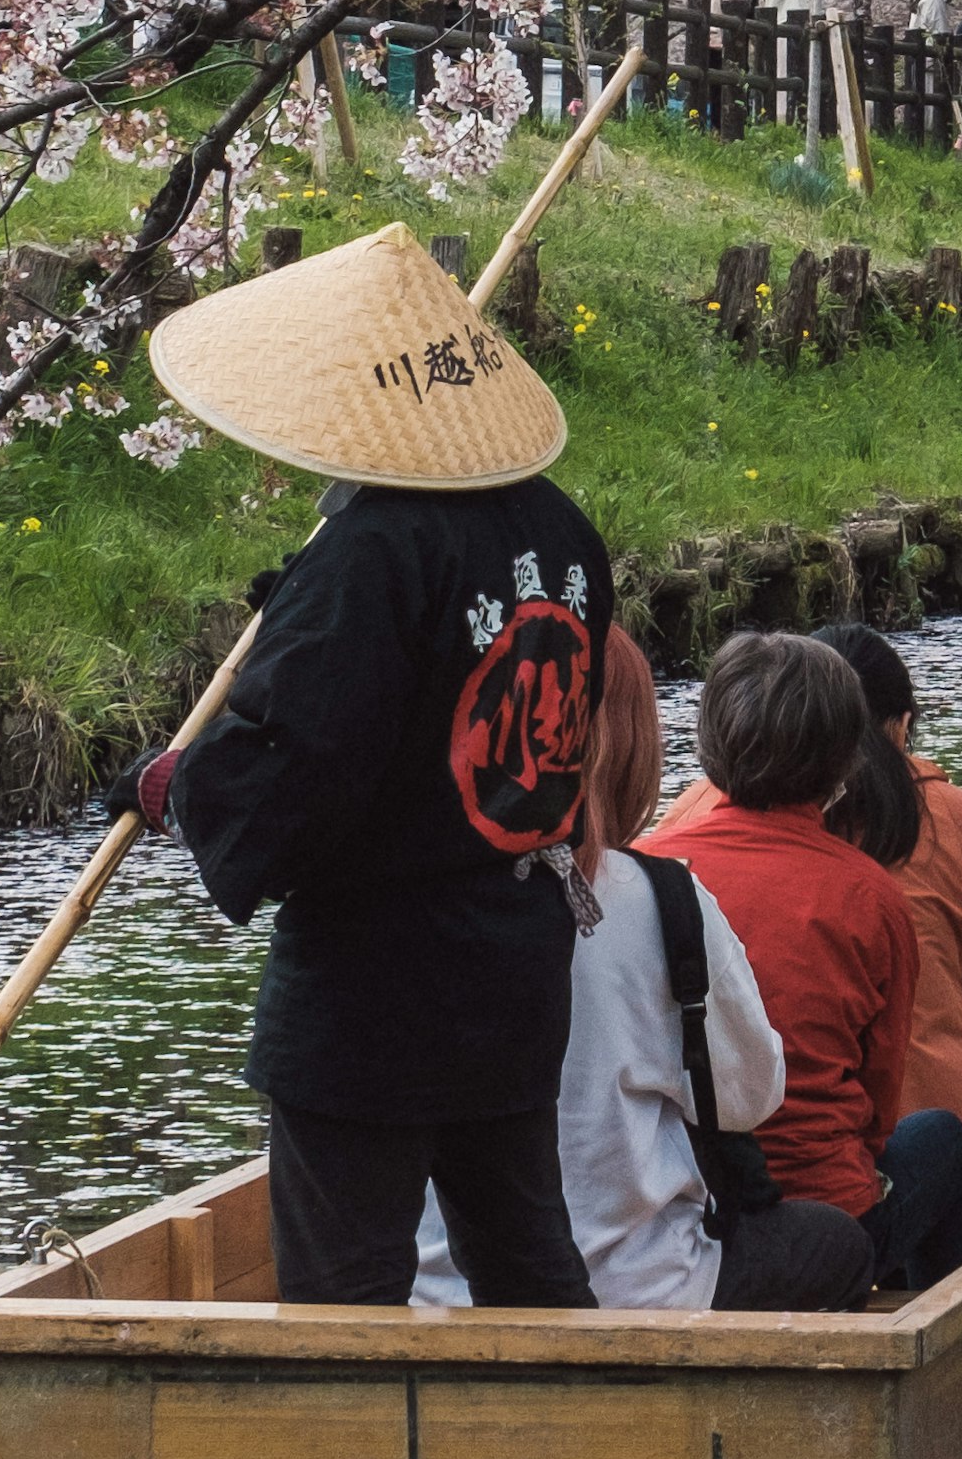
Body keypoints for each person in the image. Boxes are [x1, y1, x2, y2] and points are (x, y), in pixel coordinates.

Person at [131, 220, 609, 1309]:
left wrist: (178, 788)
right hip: (511, 967)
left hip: (372, 993)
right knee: (530, 1269)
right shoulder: (561, 529)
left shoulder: (371, 552)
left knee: (345, 1300)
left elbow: (297, 764)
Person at [650, 631, 962, 1297]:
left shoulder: (649, 867)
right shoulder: (868, 896)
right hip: (825, 1212)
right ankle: (947, 1334)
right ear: (848, 760)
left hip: (681, 1211)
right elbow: (876, 1109)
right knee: (948, 1143)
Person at [547, 631, 876, 1313]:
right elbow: (751, 1096)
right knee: (839, 1247)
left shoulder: (422, 904)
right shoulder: (660, 897)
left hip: (440, 1285)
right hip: (640, 1284)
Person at [823, 618, 962, 1207]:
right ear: (904, 725)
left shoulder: (697, 814)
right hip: (926, 1165)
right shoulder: (954, 819)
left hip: (752, 1178)